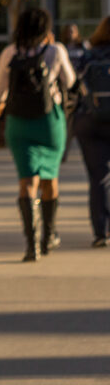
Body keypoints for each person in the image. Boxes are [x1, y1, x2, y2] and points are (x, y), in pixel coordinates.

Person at [0, 7, 78, 262]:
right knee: (49, 179)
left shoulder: (10, 53)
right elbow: (71, 81)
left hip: (18, 123)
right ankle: (49, 235)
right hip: (49, 122)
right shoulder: (55, 51)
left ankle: (31, 244)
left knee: (26, 181)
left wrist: (1, 103)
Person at [70, 16, 110, 249]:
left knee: (98, 178)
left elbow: (74, 85)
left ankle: (100, 231)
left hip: (90, 121)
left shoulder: (88, 56)